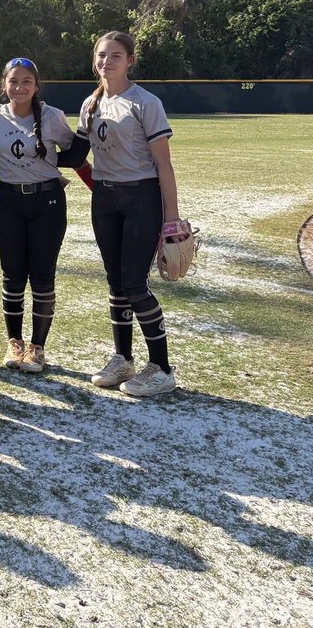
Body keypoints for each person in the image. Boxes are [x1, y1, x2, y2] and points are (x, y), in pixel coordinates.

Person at [72, 31, 183, 396]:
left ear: (130, 61)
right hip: (105, 199)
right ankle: (123, 359)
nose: (107, 61)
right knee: (116, 282)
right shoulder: (91, 104)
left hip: (141, 198)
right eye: (102, 55)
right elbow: (76, 156)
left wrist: (171, 218)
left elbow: (163, 165)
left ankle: (162, 369)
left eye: (116, 55)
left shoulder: (145, 102)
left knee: (135, 284)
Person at [0, 57, 83, 373]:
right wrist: (6, 167)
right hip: (8, 201)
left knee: (42, 276)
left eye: (27, 81)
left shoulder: (52, 116)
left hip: (47, 203)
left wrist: (47, 164)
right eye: (13, 81)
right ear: (4, 85)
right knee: (12, 275)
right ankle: (15, 342)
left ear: (37, 86)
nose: (19, 87)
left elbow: (74, 154)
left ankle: (37, 347)